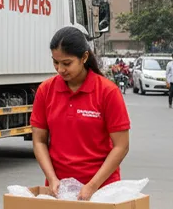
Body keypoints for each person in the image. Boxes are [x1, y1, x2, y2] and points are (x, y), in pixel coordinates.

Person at [31, 26, 131, 201]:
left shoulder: (107, 92)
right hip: (59, 190)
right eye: (55, 62)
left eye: (67, 63)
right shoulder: (45, 91)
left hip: (102, 190)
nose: (60, 69)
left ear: (84, 57)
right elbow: (39, 140)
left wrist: (92, 186)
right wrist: (53, 179)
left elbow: (121, 146)